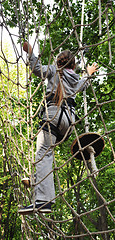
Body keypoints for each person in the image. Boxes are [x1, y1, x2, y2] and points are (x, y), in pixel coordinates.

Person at [18, 42, 99, 215]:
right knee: (46, 153)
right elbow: (82, 85)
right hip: (67, 124)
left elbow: (37, 69)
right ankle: (37, 179)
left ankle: (42, 201)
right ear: (73, 66)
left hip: (53, 117)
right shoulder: (75, 78)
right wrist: (89, 73)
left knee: (43, 153)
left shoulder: (55, 71)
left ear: (58, 63)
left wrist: (31, 52)